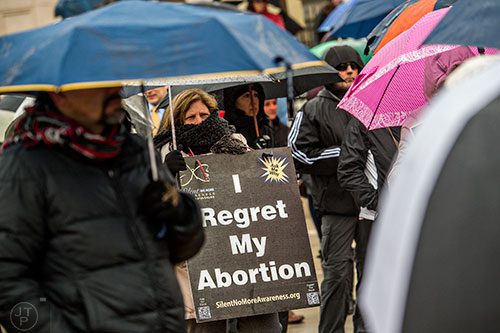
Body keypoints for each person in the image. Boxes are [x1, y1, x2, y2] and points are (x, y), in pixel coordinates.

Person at [0, 87, 204, 333]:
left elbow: (182, 249)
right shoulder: (24, 165)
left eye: (114, 82)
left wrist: (179, 214)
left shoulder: (138, 152)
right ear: (60, 95)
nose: (114, 91)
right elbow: (8, 279)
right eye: (97, 85)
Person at [154, 88, 281, 333]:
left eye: (204, 114)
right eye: (190, 117)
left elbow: (258, 189)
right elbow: (150, 205)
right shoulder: (162, 151)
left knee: (264, 327)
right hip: (198, 264)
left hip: (244, 256)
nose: (199, 121)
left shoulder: (233, 142)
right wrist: (165, 175)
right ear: (176, 120)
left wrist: (262, 159)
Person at [288, 45, 363, 333]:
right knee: (337, 275)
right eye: (342, 66)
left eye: (354, 65)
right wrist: (347, 153)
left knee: (371, 273)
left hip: (371, 204)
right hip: (336, 205)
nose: (349, 71)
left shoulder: (368, 101)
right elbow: (299, 153)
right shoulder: (314, 108)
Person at [337, 119, 400, 332]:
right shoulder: (363, 123)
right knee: (373, 283)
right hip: (374, 220)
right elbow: (348, 170)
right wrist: (377, 202)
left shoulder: (421, 117)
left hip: (409, 216)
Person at [223, 83, 275, 150]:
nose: (254, 102)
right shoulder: (226, 132)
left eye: (256, 95)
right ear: (233, 101)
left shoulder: (265, 130)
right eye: (247, 96)